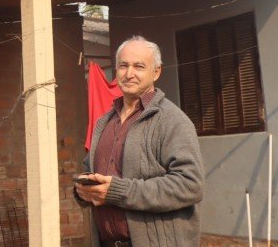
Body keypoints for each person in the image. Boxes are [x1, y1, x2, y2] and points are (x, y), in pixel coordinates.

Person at [74, 36, 204, 247]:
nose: (129, 73)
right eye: (123, 65)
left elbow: (190, 185)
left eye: (139, 66)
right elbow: (90, 170)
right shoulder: (104, 122)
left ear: (156, 72)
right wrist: (85, 190)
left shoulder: (172, 120)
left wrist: (118, 191)